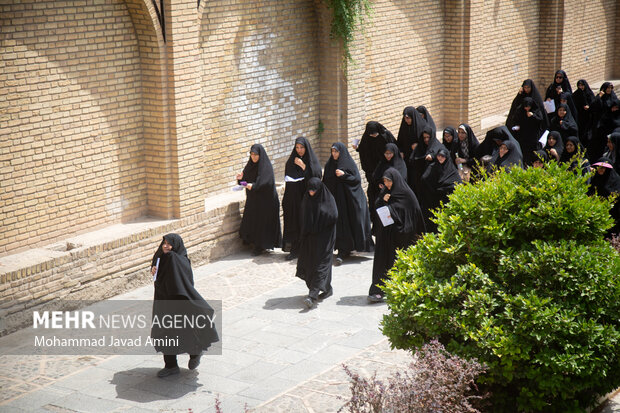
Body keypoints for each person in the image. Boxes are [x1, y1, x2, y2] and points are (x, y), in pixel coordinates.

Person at [150, 234, 219, 378]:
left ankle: (194, 353)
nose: (165, 246)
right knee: (168, 333)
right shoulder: (170, 257)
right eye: (164, 243)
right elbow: (158, 262)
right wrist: (154, 268)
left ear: (176, 246)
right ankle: (171, 365)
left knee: (180, 332)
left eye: (169, 244)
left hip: (177, 304)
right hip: (165, 303)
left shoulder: (175, 259)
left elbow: (178, 282)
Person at [369, 168, 425, 303]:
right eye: (385, 181)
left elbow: (414, 212)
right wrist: (382, 200)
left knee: (398, 262)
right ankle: (377, 291)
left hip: (402, 235)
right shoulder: (385, 192)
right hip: (385, 235)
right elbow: (377, 208)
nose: (387, 184)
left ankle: (401, 289)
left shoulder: (406, 194)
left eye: (389, 181)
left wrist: (392, 209)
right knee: (382, 262)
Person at [323, 142, 373, 265]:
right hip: (337, 202)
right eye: (332, 151)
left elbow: (356, 179)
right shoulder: (330, 165)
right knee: (340, 225)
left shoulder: (348, 163)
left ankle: (349, 248)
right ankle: (342, 250)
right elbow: (326, 182)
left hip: (349, 200)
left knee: (352, 222)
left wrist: (344, 175)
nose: (334, 154)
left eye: (336, 152)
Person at [296, 178, 338, 308]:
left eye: (314, 190)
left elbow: (333, 215)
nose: (311, 193)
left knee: (322, 264)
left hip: (325, 239)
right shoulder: (307, 199)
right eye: (310, 190)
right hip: (310, 238)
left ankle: (312, 295)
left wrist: (320, 220)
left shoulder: (327, 200)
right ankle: (327, 288)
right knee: (310, 263)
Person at [236, 144, 282, 255]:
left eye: (256, 155)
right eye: (252, 154)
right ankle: (254, 243)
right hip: (254, 201)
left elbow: (266, 182)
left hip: (266, 202)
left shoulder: (266, 167)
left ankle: (261, 246)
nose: (254, 157)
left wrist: (254, 186)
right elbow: (245, 181)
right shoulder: (250, 166)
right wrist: (240, 180)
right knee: (253, 221)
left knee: (263, 224)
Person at [282, 137, 322, 260]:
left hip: (306, 199)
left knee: (305, 223)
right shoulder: (291, 161)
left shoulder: (311, 161)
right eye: (297, 148)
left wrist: (304, 167)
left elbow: (316, 177)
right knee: (294, 223)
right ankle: (294, 248)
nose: (299, 150)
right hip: (293, 199)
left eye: (302, 148)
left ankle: (307, 249)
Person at [355, 121, 396, 223]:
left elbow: (394, 148)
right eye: (371, 134)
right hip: (372, 172)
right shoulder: (366, 137)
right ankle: (375, 220)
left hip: (385, 170)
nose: (373, 136)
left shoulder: (385, 135)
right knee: (373, 196)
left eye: (375, 134)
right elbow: (364, 150)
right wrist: (357, 148)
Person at [421, 148, 462, 232]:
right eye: (439, 155)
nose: (440, 158)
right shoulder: (433, 166)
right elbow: (424, 178)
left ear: (446, 157)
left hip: (448, 199)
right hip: (436, 199)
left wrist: (444, 188)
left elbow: (457, 183)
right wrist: (433, 189)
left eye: (443, 156)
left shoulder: (451, 169)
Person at [588, 157, 620, 237]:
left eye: (603, 168)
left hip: (612, 213)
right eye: (599, 167)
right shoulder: (595, 179)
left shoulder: (615, 180)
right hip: (597, 213)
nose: (601, 170)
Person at [510, 96, 544, 165]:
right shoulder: (520, 110)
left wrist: (533, 116)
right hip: (523, 135)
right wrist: (517, 126)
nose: (527, 109)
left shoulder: (536, 110)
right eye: (525, 107)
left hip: (533, 135)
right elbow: (515, 120)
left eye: (528, 107)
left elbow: (540, 120)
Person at [572, 79, 596, 145]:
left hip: (588, 117)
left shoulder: (589, 94)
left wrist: (589, 107)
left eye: (582, 85)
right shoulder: (576, 94)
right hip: (579, 117)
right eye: (579, 85)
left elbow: (593, 103)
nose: (581, 87)